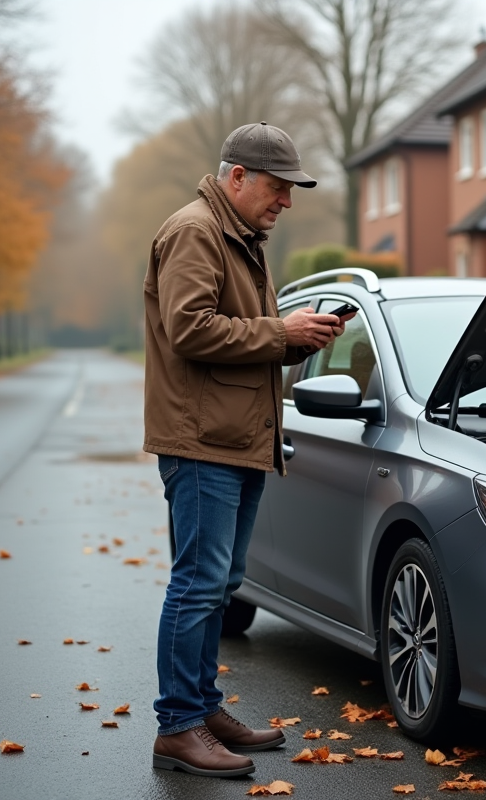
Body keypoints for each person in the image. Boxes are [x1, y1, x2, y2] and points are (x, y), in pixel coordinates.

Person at [142, 122, 353, 778]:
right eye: (278, 187)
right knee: (198, 583)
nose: (285, 201)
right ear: (237, 176)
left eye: (290, 190)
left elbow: (243, 336)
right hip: (203, 442)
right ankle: (178, 725)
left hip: (238, 441)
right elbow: (188, 330)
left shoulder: (241, 237)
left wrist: (298, 339)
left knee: (222, 582)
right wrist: (276, 330)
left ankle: (202, 708)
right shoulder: (195, 231)